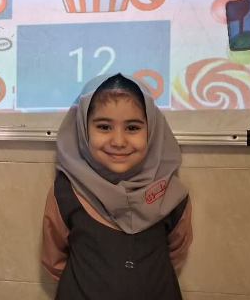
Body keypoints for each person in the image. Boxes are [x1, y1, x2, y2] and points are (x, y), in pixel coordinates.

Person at [41, 73, 193, 299]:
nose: (119, 141)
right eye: (104, 127)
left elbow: (176, 251)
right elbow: (54, 257)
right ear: (83, 129)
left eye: (132, 128)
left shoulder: (171, 194)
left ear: (152, 130)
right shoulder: (67, 191)